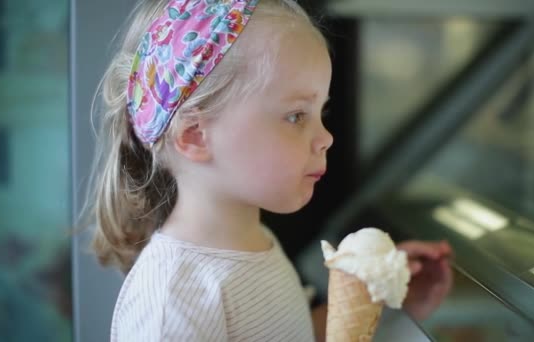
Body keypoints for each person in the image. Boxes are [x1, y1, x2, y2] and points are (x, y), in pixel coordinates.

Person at [83, 0, 453, 340]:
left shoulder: (253, 241)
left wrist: (382, 297)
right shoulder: (173, 302)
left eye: (319, 113)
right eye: (295, 116)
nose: (325, 138)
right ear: (195, 136)